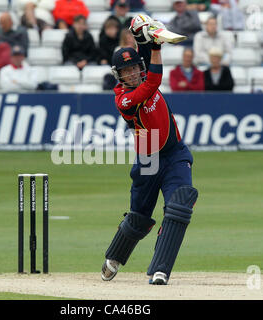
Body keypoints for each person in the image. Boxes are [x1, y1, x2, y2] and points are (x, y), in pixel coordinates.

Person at [101, 14, 198, 285]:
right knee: (139, 218)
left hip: (175, 154)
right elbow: (153, 81)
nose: (132, 74)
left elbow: (144, 48)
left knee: (179, 207)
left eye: (134, 69)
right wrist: (156, 47)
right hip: (148, 162)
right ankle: (115, 257)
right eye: (126, 72)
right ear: (118, 76)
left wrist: (140, 30)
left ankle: (160, 270)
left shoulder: (143, 71)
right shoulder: (124, 99)